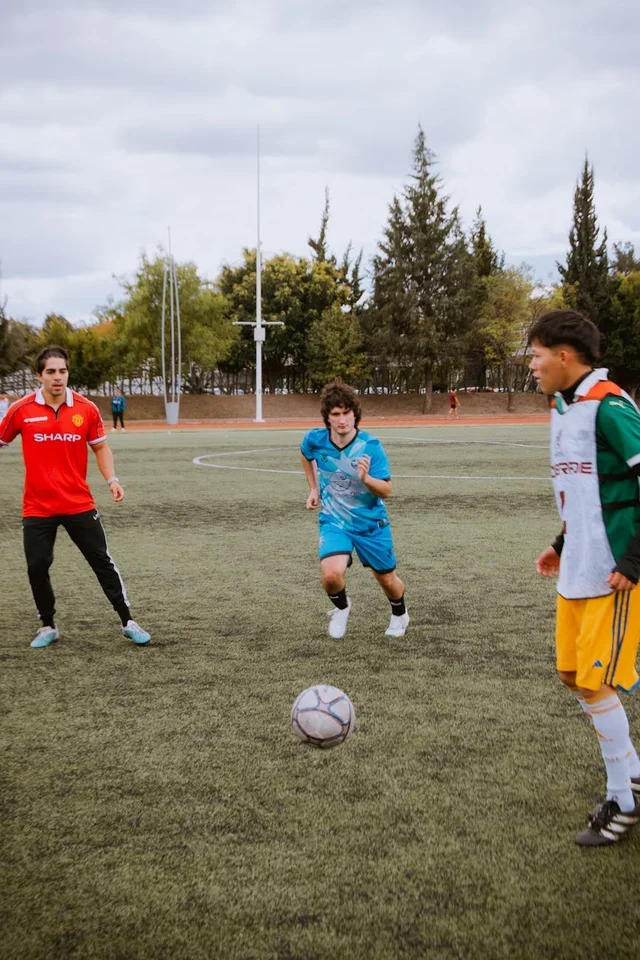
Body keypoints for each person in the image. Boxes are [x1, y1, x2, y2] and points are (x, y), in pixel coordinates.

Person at [529, 310, 640, 846]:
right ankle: (633, 775)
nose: (532, 366)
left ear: (564, 355)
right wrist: (561, 542)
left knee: (597, 683)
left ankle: (624, 799)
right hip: (579, 563)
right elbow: (586, 488)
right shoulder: (563, 406)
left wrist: (633, 561)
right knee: (572, 676)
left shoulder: (610, 406)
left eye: (535, 355)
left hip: (614, 571)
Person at [0, 345, 151, 648]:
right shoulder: (21, 409)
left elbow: (100, 447)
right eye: (51, 372)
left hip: (78, 503)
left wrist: (112, 480)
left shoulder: (86, 408)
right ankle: (48, 626)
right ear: (39, 375)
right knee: (37, 566)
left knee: (101, 561)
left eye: (63, 371)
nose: (58, 377)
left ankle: (128, 620)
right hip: (37, 506)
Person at [300, 381, 408, 640]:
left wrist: (366, 478)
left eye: (346, 412)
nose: (342, 420)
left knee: (387, 580)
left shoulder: (370, 446)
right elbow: (305, 454)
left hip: (371, 524)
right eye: (335, 414)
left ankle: (399, 613)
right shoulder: (315, 439)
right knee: (331, 575)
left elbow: (386, 490)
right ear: (327, 417)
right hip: (334, 521)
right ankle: (342, 608)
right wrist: (313, 488)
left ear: (355, 414)